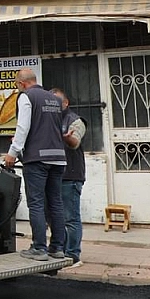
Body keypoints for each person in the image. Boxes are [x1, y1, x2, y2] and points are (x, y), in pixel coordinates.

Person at [1, 68, 66, 261]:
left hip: (37, 159)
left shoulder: (26, 97)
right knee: (56, 202)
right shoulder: (54, 99)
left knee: (36, 203)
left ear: (21, 84)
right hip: (58, 157)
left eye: (17, 86)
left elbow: (23, 127)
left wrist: (12, 153)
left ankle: (39, 248)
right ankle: (57, 247)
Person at [51, 88, 87, 268]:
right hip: (53, 175)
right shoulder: (48, 119)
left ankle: (73, 255)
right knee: (53, 216)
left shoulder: (75, 120)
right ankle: (59, 249)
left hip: (70, 176)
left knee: (70, 217)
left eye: (57, 101)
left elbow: (75, 142)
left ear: (66, 103)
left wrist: (67, 139)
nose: (53, 105)